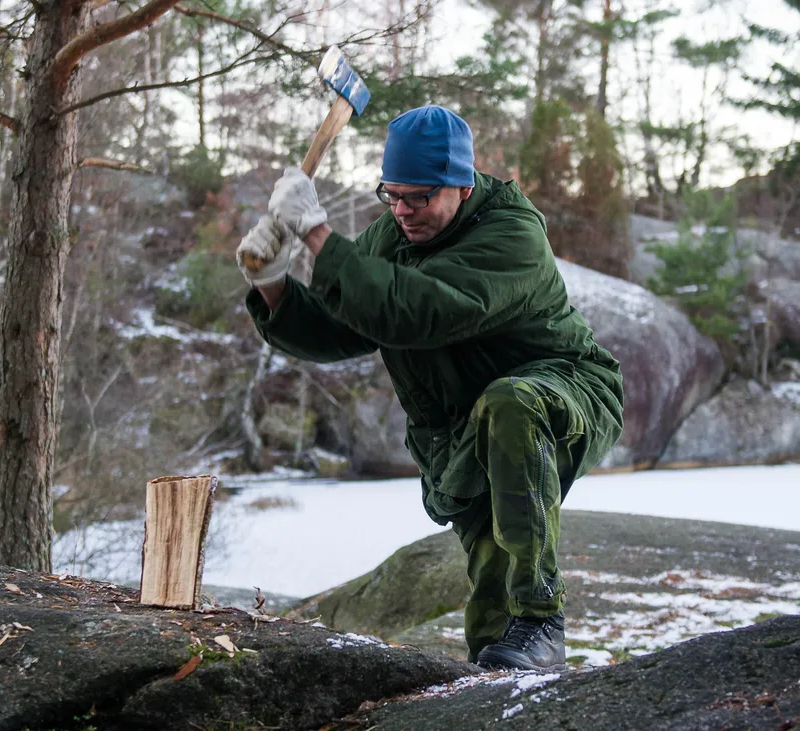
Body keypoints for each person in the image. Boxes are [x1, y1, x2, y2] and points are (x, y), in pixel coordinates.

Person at [235, 105, 624, 672]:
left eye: (418, 198)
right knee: (495, 633)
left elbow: (416, 309)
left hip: (566, 393)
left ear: (462, 185)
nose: (402, 211)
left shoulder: (512, 235)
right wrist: (273, 285)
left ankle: (543, 618)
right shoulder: (391, 236)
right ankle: (511, 677)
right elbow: (339, 325)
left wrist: (318, 234)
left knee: (511, 403)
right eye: (391, 195)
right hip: (470, 431)